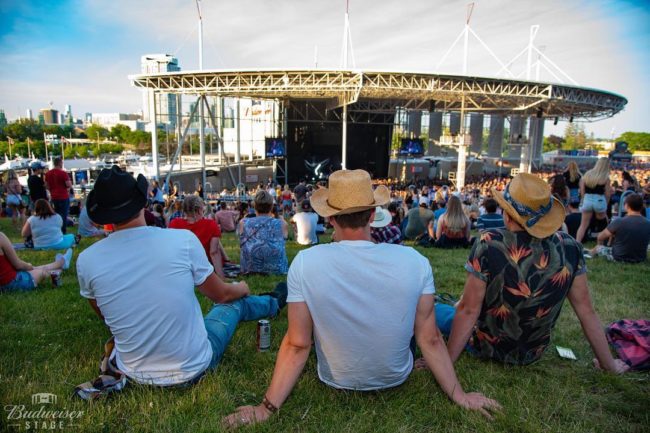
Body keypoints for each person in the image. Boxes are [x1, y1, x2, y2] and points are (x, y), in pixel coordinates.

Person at [223, 170, 500, 428]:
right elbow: (429, 339)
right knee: (426, 315)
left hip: (336, 379)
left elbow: (298, 343)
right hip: (396, 376)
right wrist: (459, 396)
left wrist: (265, 408)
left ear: (330, 218)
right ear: (372, 215)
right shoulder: (414, 260)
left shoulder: (306, 263)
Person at [77, 165, 287, 387]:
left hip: (134, 372)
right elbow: (222, 295)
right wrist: (242, 287)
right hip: (192, 366)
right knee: (234, 304)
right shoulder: (181, 241)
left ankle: (270, 299)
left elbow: (105, 315)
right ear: (142, 202)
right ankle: (273, 301)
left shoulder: (87, 260)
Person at [434, 173, 628, 374]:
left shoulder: (489, 243)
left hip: (487, 346)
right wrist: (610, 365)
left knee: (436, 310)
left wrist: (446, 362)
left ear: (507, 213)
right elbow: (587, 312)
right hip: (533, 352)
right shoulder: (570, 247)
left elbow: (468, 311)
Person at [169, 195, 229, 277]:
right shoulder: (210, 224)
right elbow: (214, 252)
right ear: (199, 210)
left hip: (183, 269)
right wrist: (221, 277)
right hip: (205, 269)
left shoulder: (174, 223)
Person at [0, 231, 71, 293]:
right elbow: (18, 265)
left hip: (6, 281)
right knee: (42, 272)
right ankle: (60, 267)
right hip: (11, 282)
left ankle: (61, 263)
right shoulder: (1, 237)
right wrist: (29, 266)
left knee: (34, 269)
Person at [589, 193, 650, 263]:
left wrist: (601, 244)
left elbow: (600, 237)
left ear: (626, 206)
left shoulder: (619, 221)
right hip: (640, 259)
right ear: (642, 206)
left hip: (618, 258)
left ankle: (590, 253)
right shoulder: (648, 223)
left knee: (598, 248)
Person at [238, 190, 288, 275]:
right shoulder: (282, 223)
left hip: (249, 268)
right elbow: (284, 240)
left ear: (254, 206)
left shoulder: (243, 222)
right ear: (272, 206)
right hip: (278, 268)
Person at [576, 158, 611, 244]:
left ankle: (577, 243)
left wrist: (583, 200)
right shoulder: (605, 177)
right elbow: (608, 194)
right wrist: (605, 204)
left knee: (583, 225)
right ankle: (601, 244)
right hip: (599, 200)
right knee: (603, 224)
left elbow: (582, 190)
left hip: (587, 199)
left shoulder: (588, 174)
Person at [44, 157, 72, 234]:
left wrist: (52, 190)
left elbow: (46, 185)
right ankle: (63, 231)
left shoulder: (48, 173)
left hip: (54, 196)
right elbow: (68, 185)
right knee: (64, 214)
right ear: (60, 163)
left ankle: (56, 230)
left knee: (56, 214)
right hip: (63, 196)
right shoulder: (63, 173)